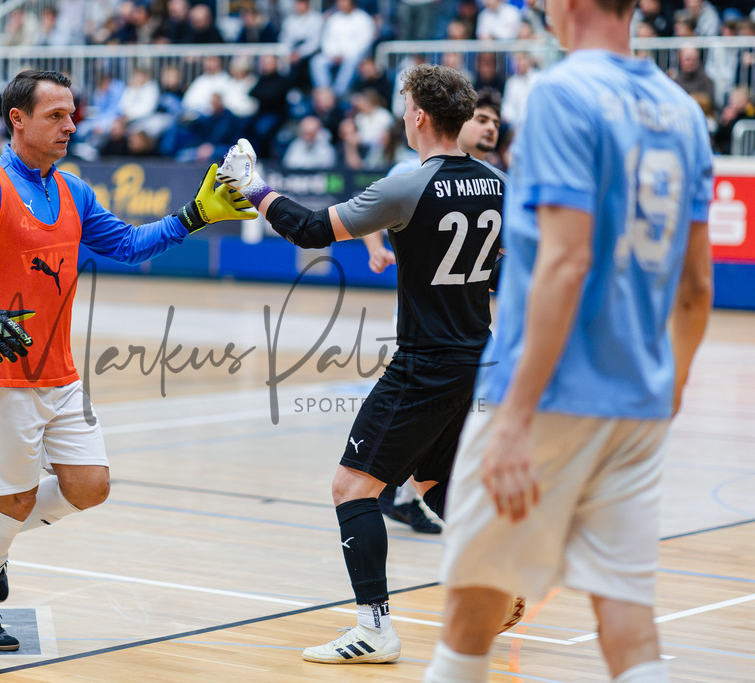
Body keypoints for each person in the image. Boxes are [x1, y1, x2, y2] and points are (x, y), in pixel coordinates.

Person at [0, 70, 255, 651]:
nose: (70, 125)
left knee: (90, 486)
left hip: (58, 367)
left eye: (72, 115)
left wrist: (193, 217)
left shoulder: (73, 190)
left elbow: (124, 244)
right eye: (55, 115)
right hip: (0, 371)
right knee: (18, 499)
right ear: (17, 120)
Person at [422, 0, 714, 676]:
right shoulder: (683, 113)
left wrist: (515, 415)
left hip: (548, 394)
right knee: (630, 629)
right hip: (637, 400)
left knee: (469, 616)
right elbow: (697, 285)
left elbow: (565, 261)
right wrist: (671, 385)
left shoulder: (561, 92)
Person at [216, 63, 508, 664]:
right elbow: (499, 268)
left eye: (406, 107)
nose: (403, 115)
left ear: (420, 117)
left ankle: (374, 628)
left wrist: (253, 187)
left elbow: (308, 229)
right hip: (475, 353)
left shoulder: (409, 184)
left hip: (425, 361)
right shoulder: (498, 182)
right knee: (432, 480)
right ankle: (498, 579)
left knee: (352, 486)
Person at [364, 86, 504, 535]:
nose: (488, 126)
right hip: (430, 322)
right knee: (438, 428)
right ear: (458, 121)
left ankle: (401, 490)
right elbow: (366, 211)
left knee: (445, 431)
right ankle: (401, 492)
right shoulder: (411, 171)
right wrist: (376, 249)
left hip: (461, 327)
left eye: (495, 122)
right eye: (482, 118)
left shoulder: (493, 178)